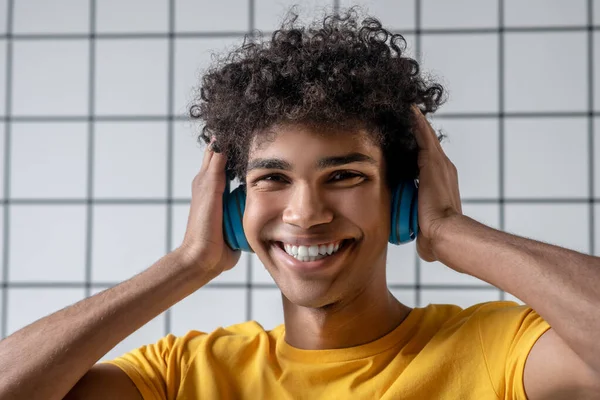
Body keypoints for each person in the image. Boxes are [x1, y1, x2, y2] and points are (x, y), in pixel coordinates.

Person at [1, 7, 599, 400]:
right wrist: (187, 263)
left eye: (344, 175)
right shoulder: (186, 375)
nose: (306, 212)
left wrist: (450, 231)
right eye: (272, 179)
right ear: (234, 212)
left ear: (401, 200)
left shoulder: (500, 349)